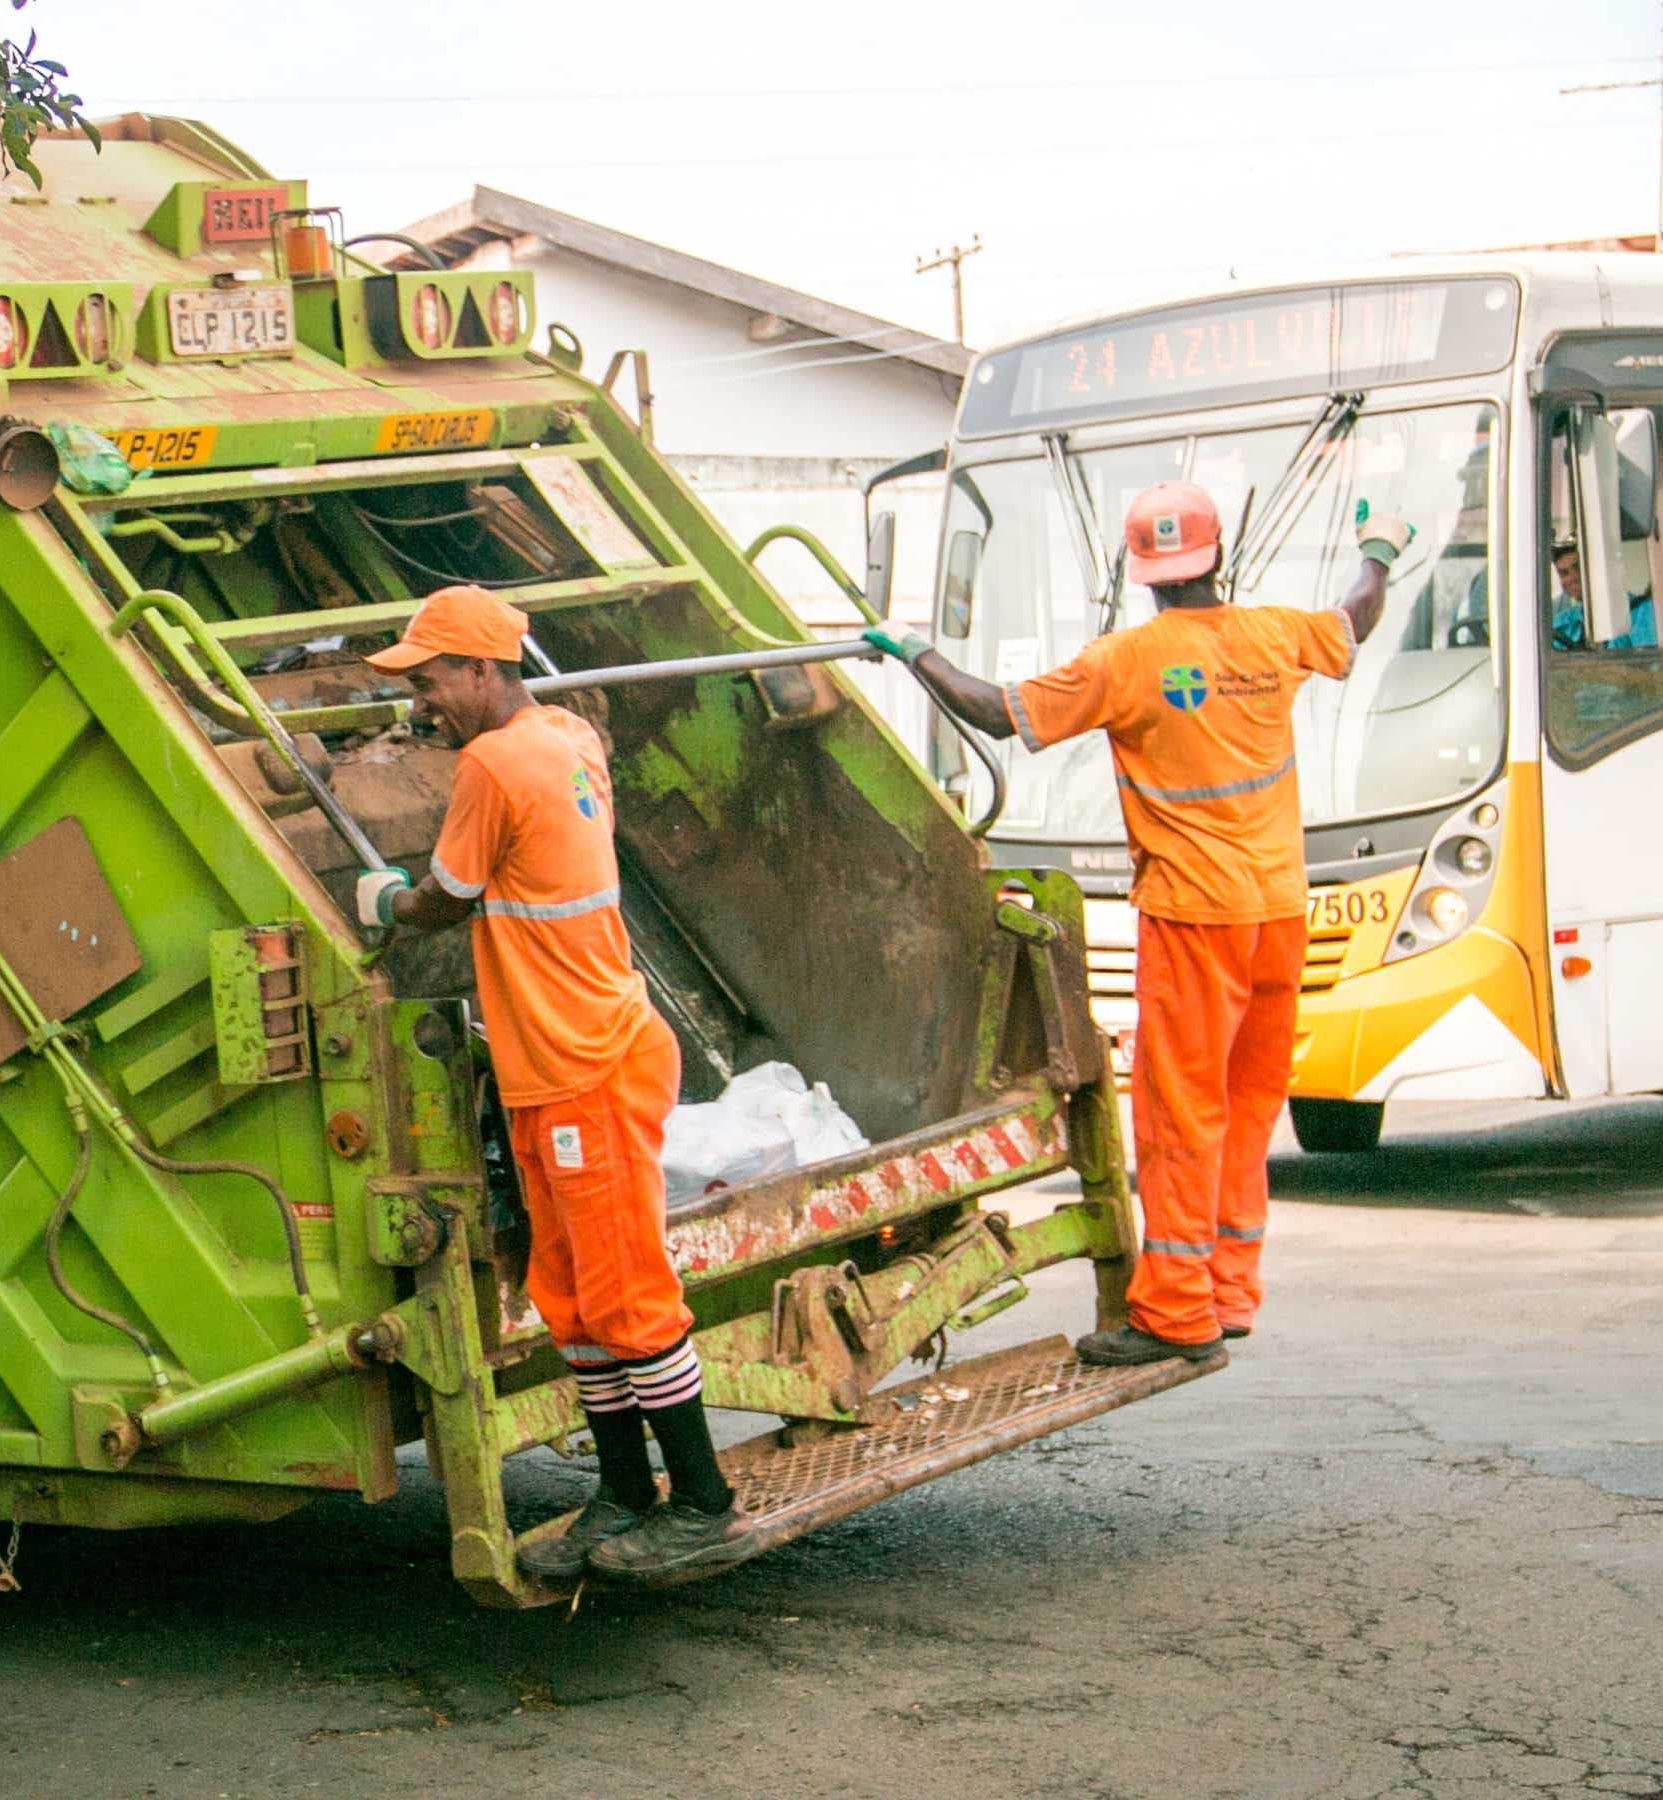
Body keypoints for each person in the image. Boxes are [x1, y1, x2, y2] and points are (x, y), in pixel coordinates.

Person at [866, 484, 1408, 1364]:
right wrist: (1380, 545)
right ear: (1218, 555)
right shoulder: (1276, 634)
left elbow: (998, 711)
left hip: (1195, 920)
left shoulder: (1129, 660)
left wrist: (914, 651)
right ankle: (1229, 1293)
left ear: (1139, 570)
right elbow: (1356, 614)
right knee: (1245, 1108)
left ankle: (1176, 1318)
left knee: (1177, 1120)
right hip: (1278, 913)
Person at [352, 585, 743, 1584]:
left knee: (628, 1297)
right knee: (569, 1295)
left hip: (585, 1068)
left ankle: (699, 1504)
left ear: (483, 670)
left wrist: (387, 898)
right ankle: (621, 1495)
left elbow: (446, 901)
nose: (425, 695)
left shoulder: (493, 763)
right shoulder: (567, 733)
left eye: (434, 676)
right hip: (560, 1063)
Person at [1549, 534, 1658, 650]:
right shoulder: (1561, 625)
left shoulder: (1643, 613)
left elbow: (1652, 665)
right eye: (1564, 573)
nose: (1572, 577)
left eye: (1579, 567)